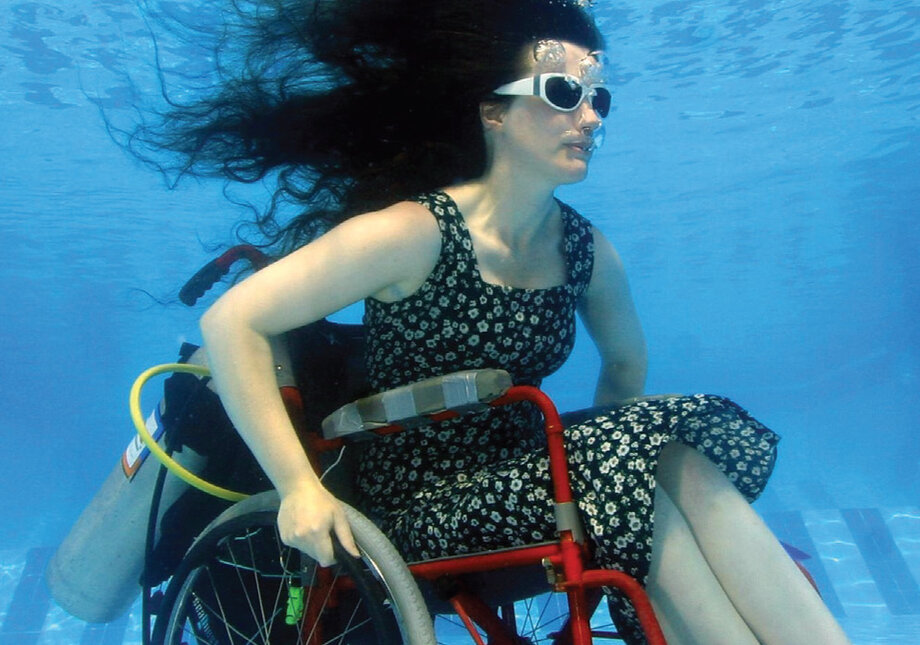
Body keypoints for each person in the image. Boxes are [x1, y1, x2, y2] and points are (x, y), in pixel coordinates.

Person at [138, 0, 850, 642]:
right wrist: (299, 486)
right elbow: (231, 321)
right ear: (494, 113)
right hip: (415, 504)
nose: (592, 115)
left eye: (598, 97)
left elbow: (627, 371)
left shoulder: (586, 252)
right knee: (632, 466)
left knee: (669, 455)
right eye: (563, 93)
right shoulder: (411, 235)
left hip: (527, 484)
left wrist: (619, 471)